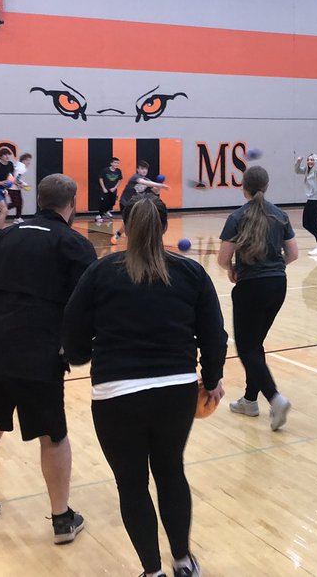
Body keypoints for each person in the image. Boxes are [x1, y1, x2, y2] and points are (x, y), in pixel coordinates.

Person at [63, 195, 227, 577]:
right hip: (176, 390)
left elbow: (72, 330)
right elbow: (214, 335)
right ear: (165, 227)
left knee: (131, 485)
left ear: (125, 226)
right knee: (171, 472)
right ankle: (183, 563)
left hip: (115, 395)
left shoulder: (101, 272)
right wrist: (214, 378)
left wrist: (81, 356)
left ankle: (152, 572)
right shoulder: (190, 273)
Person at [0, 174, 97, 543]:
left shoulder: (5, 235)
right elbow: (87, 307)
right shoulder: (74, 244)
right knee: (53, 436)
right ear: (71, 203)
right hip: (34, 351)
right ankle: (62, 519)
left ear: (39, 200)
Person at [218, 166, 297, 429]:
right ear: (267, 186)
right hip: (278, 285)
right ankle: (250, 400)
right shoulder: (280, 215)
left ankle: (274, 398)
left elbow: (222, 258)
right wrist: (276, 266)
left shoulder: (237, 217)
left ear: (244, 187)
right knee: (256, 344)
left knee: (247, 347)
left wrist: (232, 270)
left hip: (250, 286)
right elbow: (293, 254)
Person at [113, 161, 166, 245]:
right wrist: (159, 185)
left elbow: (156, 191)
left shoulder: (148, 180)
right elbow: (143, 182)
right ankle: (119, 235)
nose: (144, 171)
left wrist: (159, 185)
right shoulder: (135, 177)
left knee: (133, 222)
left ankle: (125, 236)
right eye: (141, 168)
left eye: (145, 169)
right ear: (138, 169)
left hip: (136, 204)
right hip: (125, 203)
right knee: (128, 223)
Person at [294, 153, 317, 255]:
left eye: (312, 160)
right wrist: (298, 162)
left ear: (316, 161)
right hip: (310, 200)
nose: (310, 161)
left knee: (314, 224)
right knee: (305, 223)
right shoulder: (307, 170)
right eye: (308, 160)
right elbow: (297, 170)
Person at [96, 157, 122, 224]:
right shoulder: (105, 170)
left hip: (113, 190)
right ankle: (99, 215)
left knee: (112, 202)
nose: (116, 164)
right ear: (111, 163)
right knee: (103, 202)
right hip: (106, 189)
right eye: (115, 163)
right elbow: (100, 179)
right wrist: (103, 188)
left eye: (118, 163)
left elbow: (120, 180)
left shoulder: (118, 171)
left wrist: (115, 187)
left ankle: (107, 211)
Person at [10, 152, 32, 223]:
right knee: (15, 203)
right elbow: (16, 179)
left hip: (14, 187)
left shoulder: (18, 166)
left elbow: (16, 178)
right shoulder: (21, 168)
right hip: (12, 188)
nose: (29, 162)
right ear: (23, 160)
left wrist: (23, 184)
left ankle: (17, 217)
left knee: (19, 203)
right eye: (28, 160)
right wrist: (22, 185)